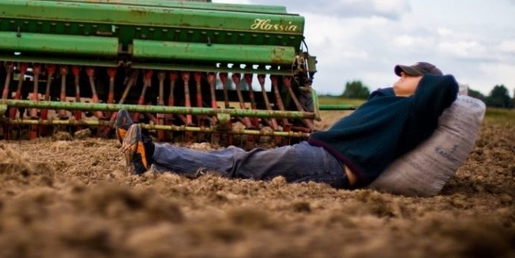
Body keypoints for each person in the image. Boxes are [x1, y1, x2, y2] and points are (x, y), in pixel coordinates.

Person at [115, 62, 458, 189]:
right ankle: (150, 158)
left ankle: (151, 151)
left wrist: (428, 79)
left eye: (408, 73)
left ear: (423, 83)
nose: (399, 75)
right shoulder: (391, 102)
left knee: (238, 161)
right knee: (240, 161)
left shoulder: (417, 110)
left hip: (331, 164)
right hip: (320, 155)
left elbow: (448, 86)